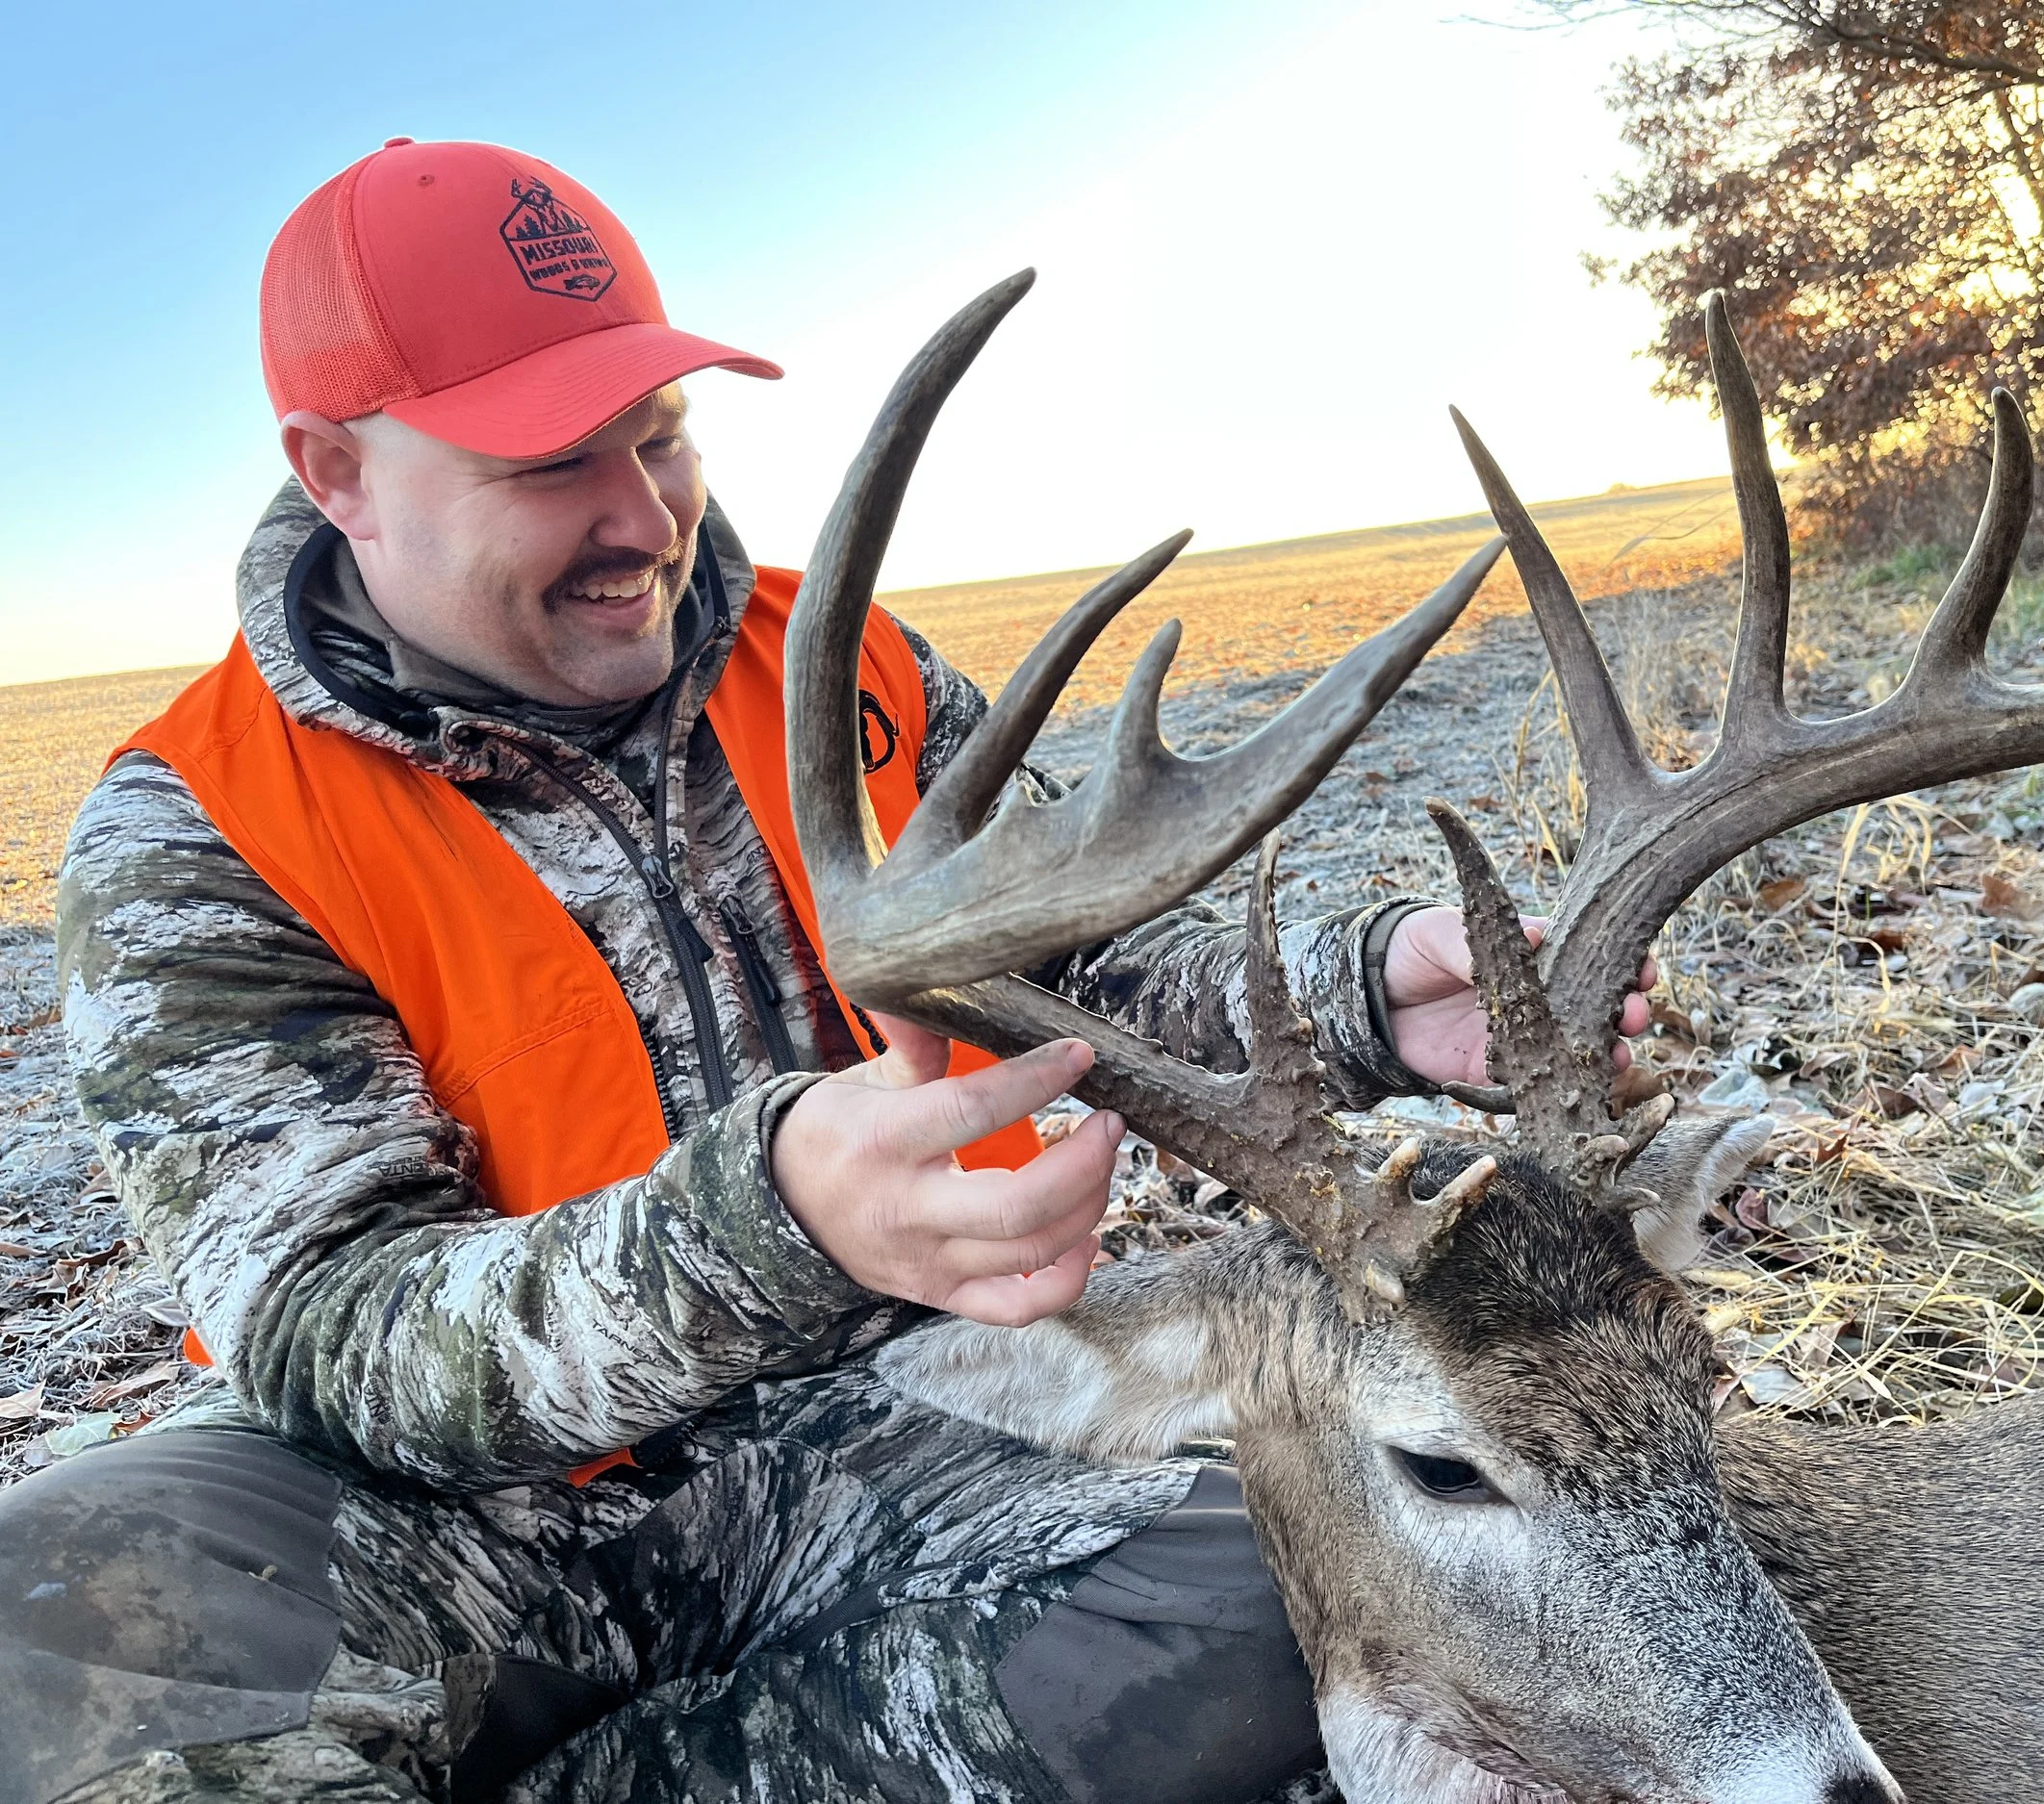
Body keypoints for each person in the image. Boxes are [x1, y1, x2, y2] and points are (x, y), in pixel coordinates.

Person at [0, 140, 1648, 1804]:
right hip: (463, 1513)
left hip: (902, 1423)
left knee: (1308, 1567)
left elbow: (1090, 970)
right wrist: (766, 1221)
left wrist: (1377, 989)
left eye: (663, 436)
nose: (641, 519)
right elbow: (331, 1331)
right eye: (554, 462)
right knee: (59, 1607)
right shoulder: (201, 828)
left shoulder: (841, 666)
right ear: (335, 469)